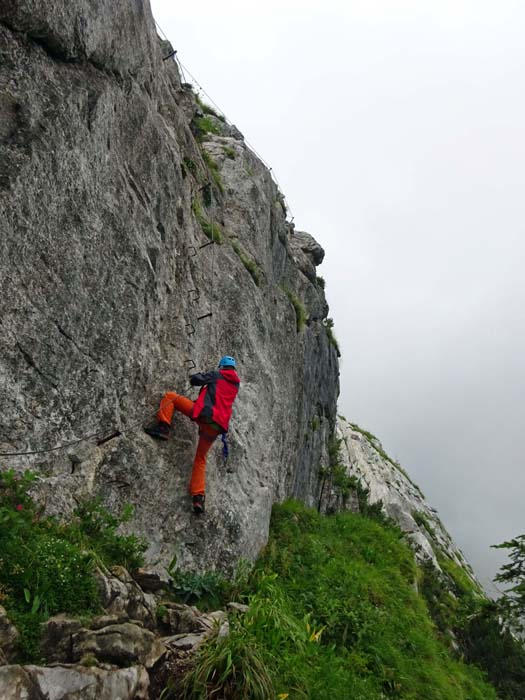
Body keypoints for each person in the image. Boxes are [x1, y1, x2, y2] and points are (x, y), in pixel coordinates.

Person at [145, 356, 240, 514]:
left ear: (222, 367)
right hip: (215, 427)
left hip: (204, 415)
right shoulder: (235, 385)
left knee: (170, 397)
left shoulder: (217, 375)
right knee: (200, 459)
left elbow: (196, 380)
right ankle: (198, 497)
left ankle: (163, 427)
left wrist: (198, 376)